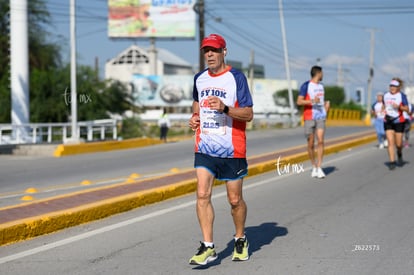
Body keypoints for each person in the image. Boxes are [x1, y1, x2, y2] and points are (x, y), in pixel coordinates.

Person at [188, 34, 253, 265]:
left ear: (224, 51)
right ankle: (208, 246)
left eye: (214, 50)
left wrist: (225, 108)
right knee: (202, 193)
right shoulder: (199, 78)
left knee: (234, 200)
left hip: (232, 149)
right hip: (204, 146)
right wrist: (194, 117)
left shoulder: (236, 78)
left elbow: (248, 114)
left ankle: (240, 238)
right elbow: (196, 101)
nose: (209, 55)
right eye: (206, 50)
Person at [297, 65, 330, 178]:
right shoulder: (306, 85)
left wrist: (326, 105)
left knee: (320, 141)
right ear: (318, 73)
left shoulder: (322, 86)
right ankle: (314, 165)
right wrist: (312, 101)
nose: (323, 75)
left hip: (320, 116)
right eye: (322, 73)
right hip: (309, 116)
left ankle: (319, 166)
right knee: (310, 143)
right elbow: (299, 101)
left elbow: (320, 100)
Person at [383, 78, 409, 170]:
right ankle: (392, 162)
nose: (392, 88)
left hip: (399, 121)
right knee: (390, 142)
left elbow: (407, 109)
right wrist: (383, 111)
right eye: (391, 86)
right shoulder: (385, 95)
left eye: (394, 86)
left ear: (398, 88)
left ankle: (399, 153)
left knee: (398, 144)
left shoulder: (402, 96)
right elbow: (384, 105)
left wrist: (399, 107)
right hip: (388, 121)